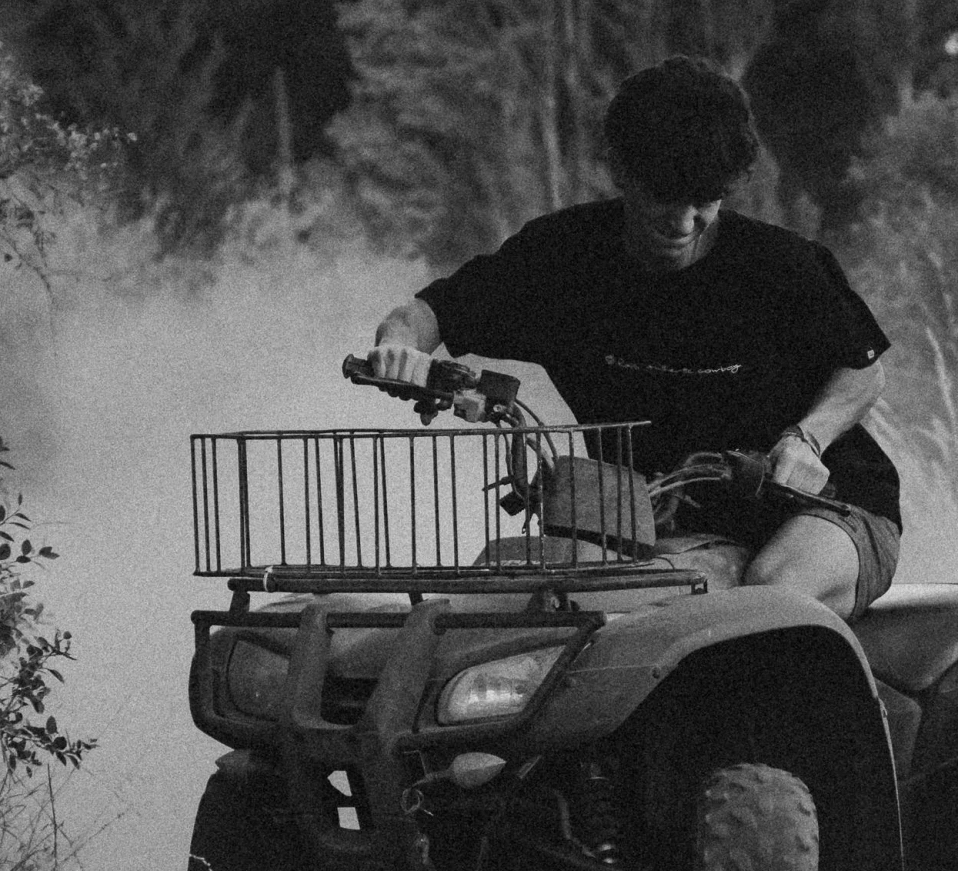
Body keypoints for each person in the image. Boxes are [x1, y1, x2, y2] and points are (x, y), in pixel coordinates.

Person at [369, 56, 901, 621]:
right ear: (621, 171)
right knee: (525, 593)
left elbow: (864, 369)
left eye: (706, 201)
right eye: (665, 198)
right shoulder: (562, 257)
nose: (685, 221)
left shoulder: (778, 265)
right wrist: (398, 350)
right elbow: (425, 315)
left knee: (767, 594)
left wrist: (808, 439)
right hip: (663, 521)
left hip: (827, 505)